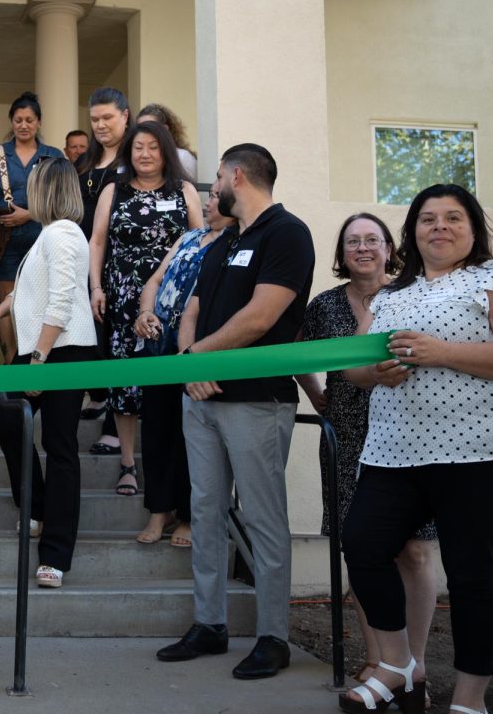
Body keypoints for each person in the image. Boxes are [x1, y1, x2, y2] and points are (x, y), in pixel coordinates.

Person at [157, 143, 314, 681]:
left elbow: (261, 317)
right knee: (204, 511)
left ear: (237, 175)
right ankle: (210, 623)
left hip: (256, 400)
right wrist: (188, 361)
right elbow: (193, 309)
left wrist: (199, 356)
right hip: (200, 398)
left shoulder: (287, 234)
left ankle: (273, 636)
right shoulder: (225, 240)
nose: (212, 187)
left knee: (263, 517)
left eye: (218, 177)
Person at [338, 185, 493, 714]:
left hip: (473, 451)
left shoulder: (488, 278)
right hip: (393, 451)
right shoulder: (388, 295)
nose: (440, 227)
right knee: (361, 544)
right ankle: (401, 664)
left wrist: (443, 352)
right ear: (413, 231)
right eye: (428, 219)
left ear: (473, 229)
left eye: (454, 218)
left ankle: (469, 698)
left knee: (474, 577)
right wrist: (377, 371)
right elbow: (354, 370)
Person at [296, 213, 439, 695]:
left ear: (388, 248)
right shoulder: (325, 305)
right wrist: (317, 394)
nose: (362, 248)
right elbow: (299, 354)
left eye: (371, 240)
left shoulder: (414, 293)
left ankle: (414, 661)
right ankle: (380, 657)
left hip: (410, 434)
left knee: (415, 551)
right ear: (342, 252)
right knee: (361, 547)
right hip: (349, 433)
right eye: (353, 241)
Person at [0, 158, 98, 588]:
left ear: (49, 190)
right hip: (39, 348)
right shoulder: (49, 235)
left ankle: (56, 555)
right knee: (7, 422)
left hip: (60, 352)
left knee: (60, 447)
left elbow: (62, 299)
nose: (28, 193)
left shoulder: (64, 233)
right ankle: (38, 507)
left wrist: (39, 361)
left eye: (33, 185)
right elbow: (33, 289)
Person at [90, 120, 202, 496]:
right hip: (122, 299)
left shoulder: (184, 190)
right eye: (138, 147)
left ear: (165, 150)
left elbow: (202, 242)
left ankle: (169, 472)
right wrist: (95, 287)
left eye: (153, 147)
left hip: (172, 304)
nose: (145, 154)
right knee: (124, 383)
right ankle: (127, 464)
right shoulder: (114, 190)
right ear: (128, 152)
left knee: (165, 384)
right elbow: (98, 242)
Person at [133, 189, 234, 546]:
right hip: (158, 349)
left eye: (215, 196)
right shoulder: (189, 236)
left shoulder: (235, 242)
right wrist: (145, 312)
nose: (207, 202)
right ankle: (160, 509)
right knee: (157, 432)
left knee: (187, 437)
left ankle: (189, 515)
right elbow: (156, 280)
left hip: (196, 351)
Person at [0, 92, 64, 359]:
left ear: (39, 122)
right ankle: (12, 361)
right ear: (11, 121)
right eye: (18, 120)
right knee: (8, 299)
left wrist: (29, 214)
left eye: (29, 120)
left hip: (41, 236)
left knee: (41, 297)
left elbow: (60, 200)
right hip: (3, 240)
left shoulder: (52, 155)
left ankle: (36, 356)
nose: (23, 125)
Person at [75, 87, 131, 454]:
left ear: (125, 115)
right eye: (94, 119)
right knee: (89, 336)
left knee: (116, 343)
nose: (100, 125)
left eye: (107, 117)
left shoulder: (136, 158)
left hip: (123, 264)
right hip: (82, 261)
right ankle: (98, 394)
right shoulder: (84, 162)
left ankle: (114, 423)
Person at [137, 103, 196, 182]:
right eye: (140, 128)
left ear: (165, 129)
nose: (144, 132)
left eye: (151, 127)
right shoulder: (133, 157)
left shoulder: (183, 157)